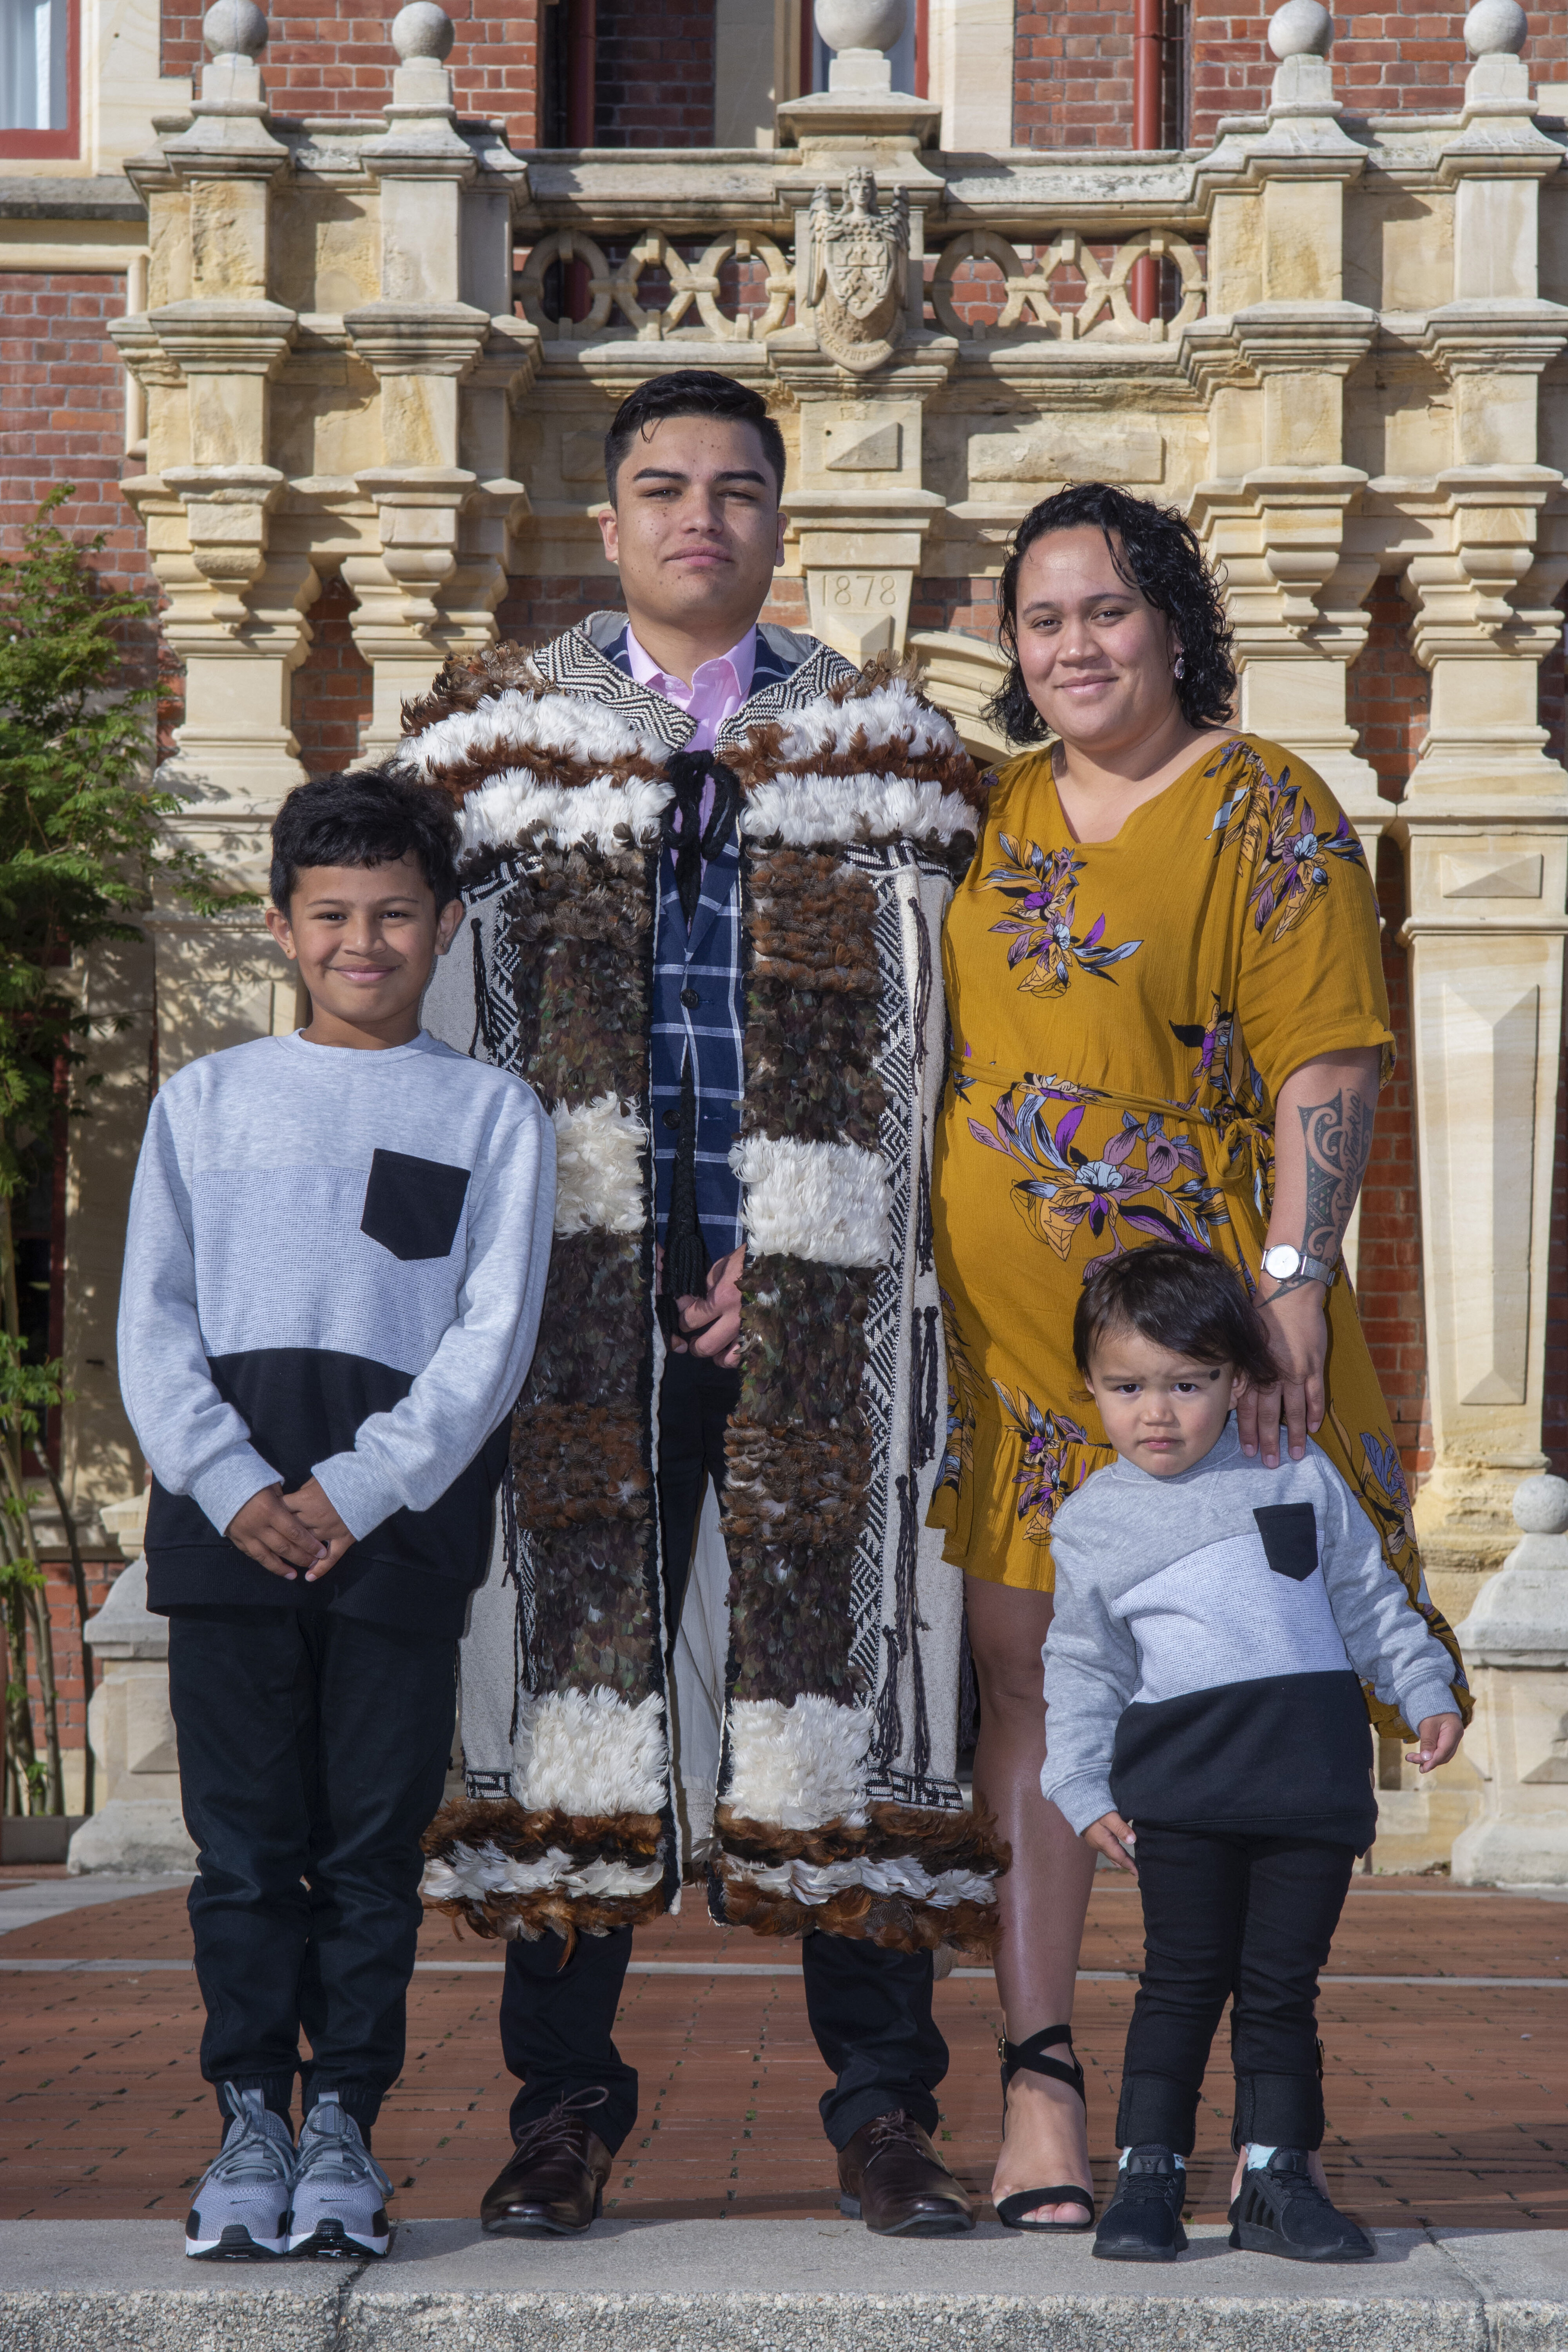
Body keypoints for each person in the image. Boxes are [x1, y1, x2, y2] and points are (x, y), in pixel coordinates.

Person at [404, 367, 1004, 2238]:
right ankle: (563, 2109)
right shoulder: (488, 755)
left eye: (737, 490)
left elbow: (950, 1044)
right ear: (607, 520)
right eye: (662, 488)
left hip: (817, 1300)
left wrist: (812, 1255)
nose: (699, 520)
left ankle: (882, 2108)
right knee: (576, 1671)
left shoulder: (885, 756)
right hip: (575, 1298)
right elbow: (420, 1044)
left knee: (840, 1665)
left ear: (778, 517)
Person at [927, 481, 1470, 2230]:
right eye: (1040, 618)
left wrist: (1296, 1285)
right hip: (1013, 1346)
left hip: (1198, 1342)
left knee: (1241, 1695)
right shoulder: (983, 812)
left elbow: (1328, 1057)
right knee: (1033, 1685)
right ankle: (1044, 2101)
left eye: (1105, 610)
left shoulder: (1263, 804)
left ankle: (1248, 2121)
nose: (1073, 644)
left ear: (1171, 622)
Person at [117, 768, 554, 2260]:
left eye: (394, 917)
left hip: (399, 1538)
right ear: (283, 926)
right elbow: (153, 1328)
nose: (362, 943)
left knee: (370, 1855)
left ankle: (341, 2131)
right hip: (223, 1534)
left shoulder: (492, 1114)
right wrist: (238, 1486)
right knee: (244, 1852)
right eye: (332, 916)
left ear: (442, 929)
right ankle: (247, 2116)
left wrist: (359, 1489)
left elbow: (487, 1341)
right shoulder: (206, 1101)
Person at [1042, 1245, 1463, 2262]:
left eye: (1188, 1385)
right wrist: (1079, 1781)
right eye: (1128, 1386)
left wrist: (1422, 1687)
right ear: (1091, 1388)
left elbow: (1366, 1596)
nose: (1158, 1412)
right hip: (1179, 1794)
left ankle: (1274, 2178)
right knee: (1181, 1981)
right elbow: (1084, 1665)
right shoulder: (1094, 1522)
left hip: (1307, 1787)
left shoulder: (1295, 1472)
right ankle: (1148, 2173)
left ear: (1236, 1378)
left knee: (1281, 1989)